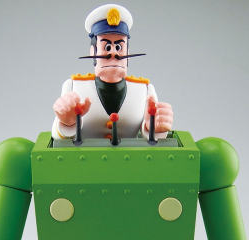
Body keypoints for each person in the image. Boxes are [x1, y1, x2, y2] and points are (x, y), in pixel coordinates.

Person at [52, 3, 173, 140]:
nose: (114, 53)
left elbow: (150, 134)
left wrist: (154, 127)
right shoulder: (74, 87)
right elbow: (56, 137)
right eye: (107, 46)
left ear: (128, 52)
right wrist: (66, 123)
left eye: (120, 46)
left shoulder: (145, 90)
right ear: (93, 52)